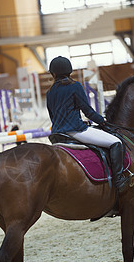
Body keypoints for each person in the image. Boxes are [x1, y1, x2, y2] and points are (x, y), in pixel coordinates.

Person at [47, 56, 129, 193]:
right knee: (116, 142)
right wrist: (102, 121)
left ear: (53, 73)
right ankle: (119, 180)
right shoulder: (75, 86)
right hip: (75, 131)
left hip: (57, 133)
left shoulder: (50, 92)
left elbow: (53, 116)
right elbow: (88, 111)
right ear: (69, 71)